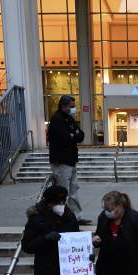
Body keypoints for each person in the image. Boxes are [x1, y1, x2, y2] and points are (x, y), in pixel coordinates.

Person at [47, 95, 88, 224]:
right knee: (62, 191)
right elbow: (66, 139)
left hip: (71, 160)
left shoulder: (69, 119)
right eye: (71, 106)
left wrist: (73, 136)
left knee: (74, 189)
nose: (73, 108)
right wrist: (73, 136)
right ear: (64, 105)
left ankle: (76, 217)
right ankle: (61, 217)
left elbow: (81, 135)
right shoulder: (57, 120)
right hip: (61, 161)